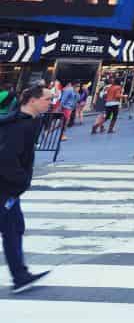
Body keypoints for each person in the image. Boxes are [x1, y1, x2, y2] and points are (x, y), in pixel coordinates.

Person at [0, 84, 53, 293]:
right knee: (12, 230)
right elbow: (5, 158)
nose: (51, 103)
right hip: (5, 188)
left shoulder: (28, 122)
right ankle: (20, 276)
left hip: (9, 188)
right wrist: (21, 181)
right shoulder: (19, 126)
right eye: (47, 99)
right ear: (32, 100)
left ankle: (20, 275)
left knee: (15, 228)